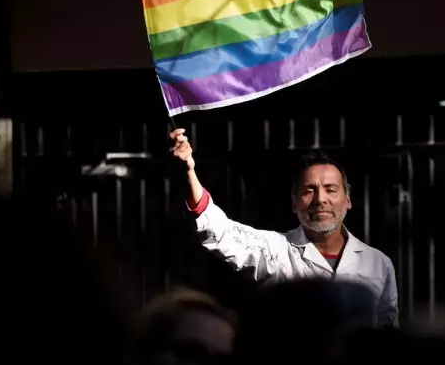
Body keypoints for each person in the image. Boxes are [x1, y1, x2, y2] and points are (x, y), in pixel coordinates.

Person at [169, 128, 399, 327]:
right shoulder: (275, 249)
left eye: (331, 189)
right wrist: (189, 170)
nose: (320, 199)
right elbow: (221, 233)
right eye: (309, 190)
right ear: (294, 203)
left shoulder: (378, 263)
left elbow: (387, 332)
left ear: (348, 200)